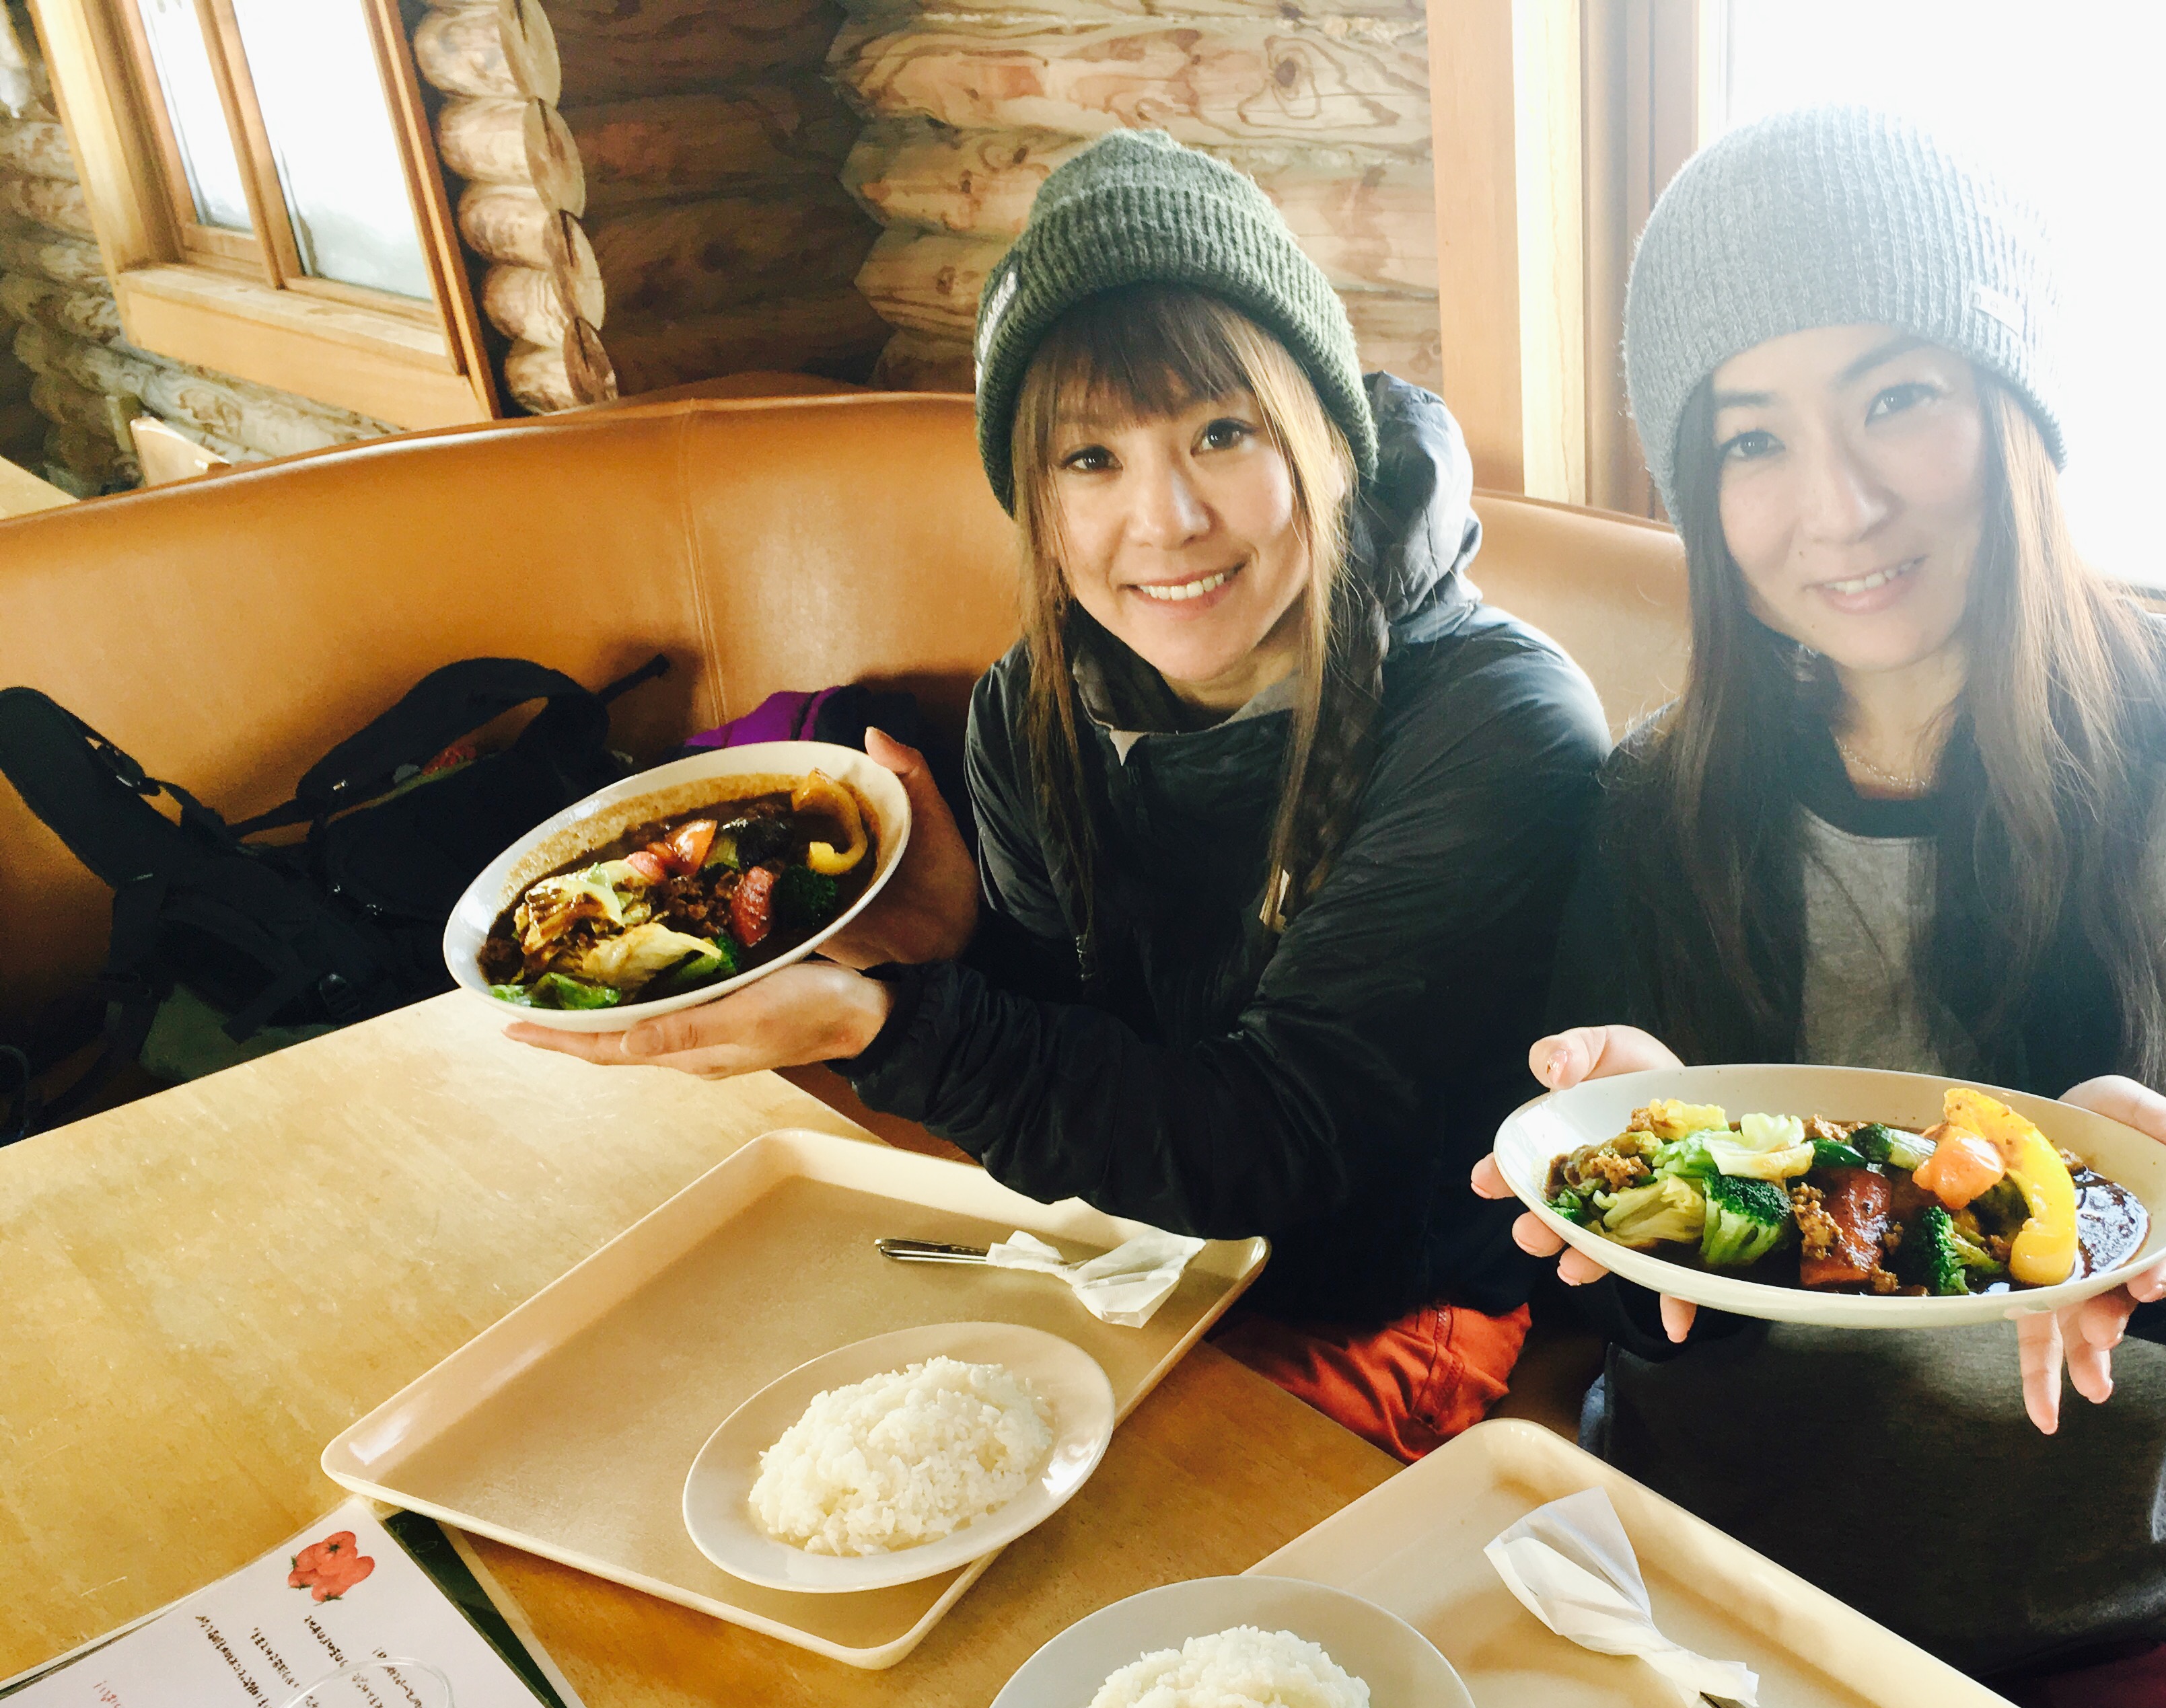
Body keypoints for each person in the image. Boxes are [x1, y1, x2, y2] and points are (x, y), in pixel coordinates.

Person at [1472, 106, 2166, 1708]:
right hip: (1705, 1574)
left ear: (2017, 408)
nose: (1836, 501)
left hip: (2119, 1621)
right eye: (1752, 440)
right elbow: (1619, 1286)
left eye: (1897, 398)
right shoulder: (1655, 798)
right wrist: (1627, 1161)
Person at [515, 130, 1608, 1458]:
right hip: (1128, 1242)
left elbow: (1283, 1138)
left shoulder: (1497, 724)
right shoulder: (1034, 701)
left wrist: (885, 1027)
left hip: (1385, 1297)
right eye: (1091, 459)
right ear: (1033, 499)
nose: (1164, 521)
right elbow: (1089, 1074)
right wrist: (951, 948)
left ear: (1327, 439)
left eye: (1221, 432)